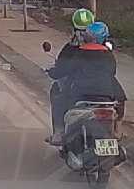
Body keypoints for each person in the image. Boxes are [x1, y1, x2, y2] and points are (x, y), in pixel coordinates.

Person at [46, 17, 125, 146]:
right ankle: (117, 130)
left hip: (82, 94)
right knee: (121, 99)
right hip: (107, 95)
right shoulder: (108, 54)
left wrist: (53, 72)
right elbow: (112, 71)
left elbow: (65, 69)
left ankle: (59, 133)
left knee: (59, 99)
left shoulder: (78, 52)